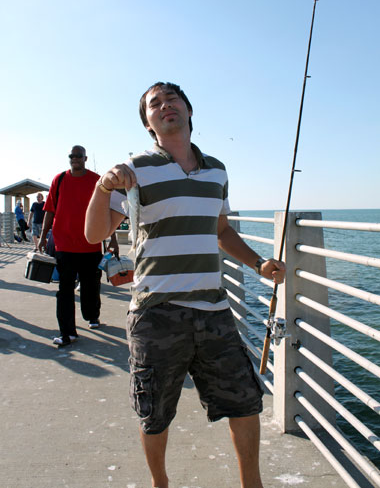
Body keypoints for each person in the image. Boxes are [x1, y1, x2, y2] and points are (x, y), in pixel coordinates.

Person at [85, 82, 286, 488]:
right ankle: (161, 484)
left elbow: (221, 229)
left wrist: (258, 262)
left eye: (171, 99)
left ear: (189, 111)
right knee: (155, 412)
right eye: (154, 104)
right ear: (149, 123)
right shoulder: (135, 168)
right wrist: (103, 186)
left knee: (245, 402)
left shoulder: (217, 170)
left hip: (213, 309)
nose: (165, 106)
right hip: (155, 312)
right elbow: (94, 234)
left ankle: (253, 484)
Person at [39, 145, 104, 347]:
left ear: (85, 158)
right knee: (65, 290)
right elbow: (50, 210)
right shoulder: (59, 180)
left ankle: (92, 315)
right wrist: (42, 237)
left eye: (78, 156)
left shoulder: (97, 180)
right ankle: (67, 333)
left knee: (90, 286)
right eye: (71, 156)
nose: (74, 159)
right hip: (64, 245)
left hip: (91, 244)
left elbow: (106, 211)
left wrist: (112, 240)